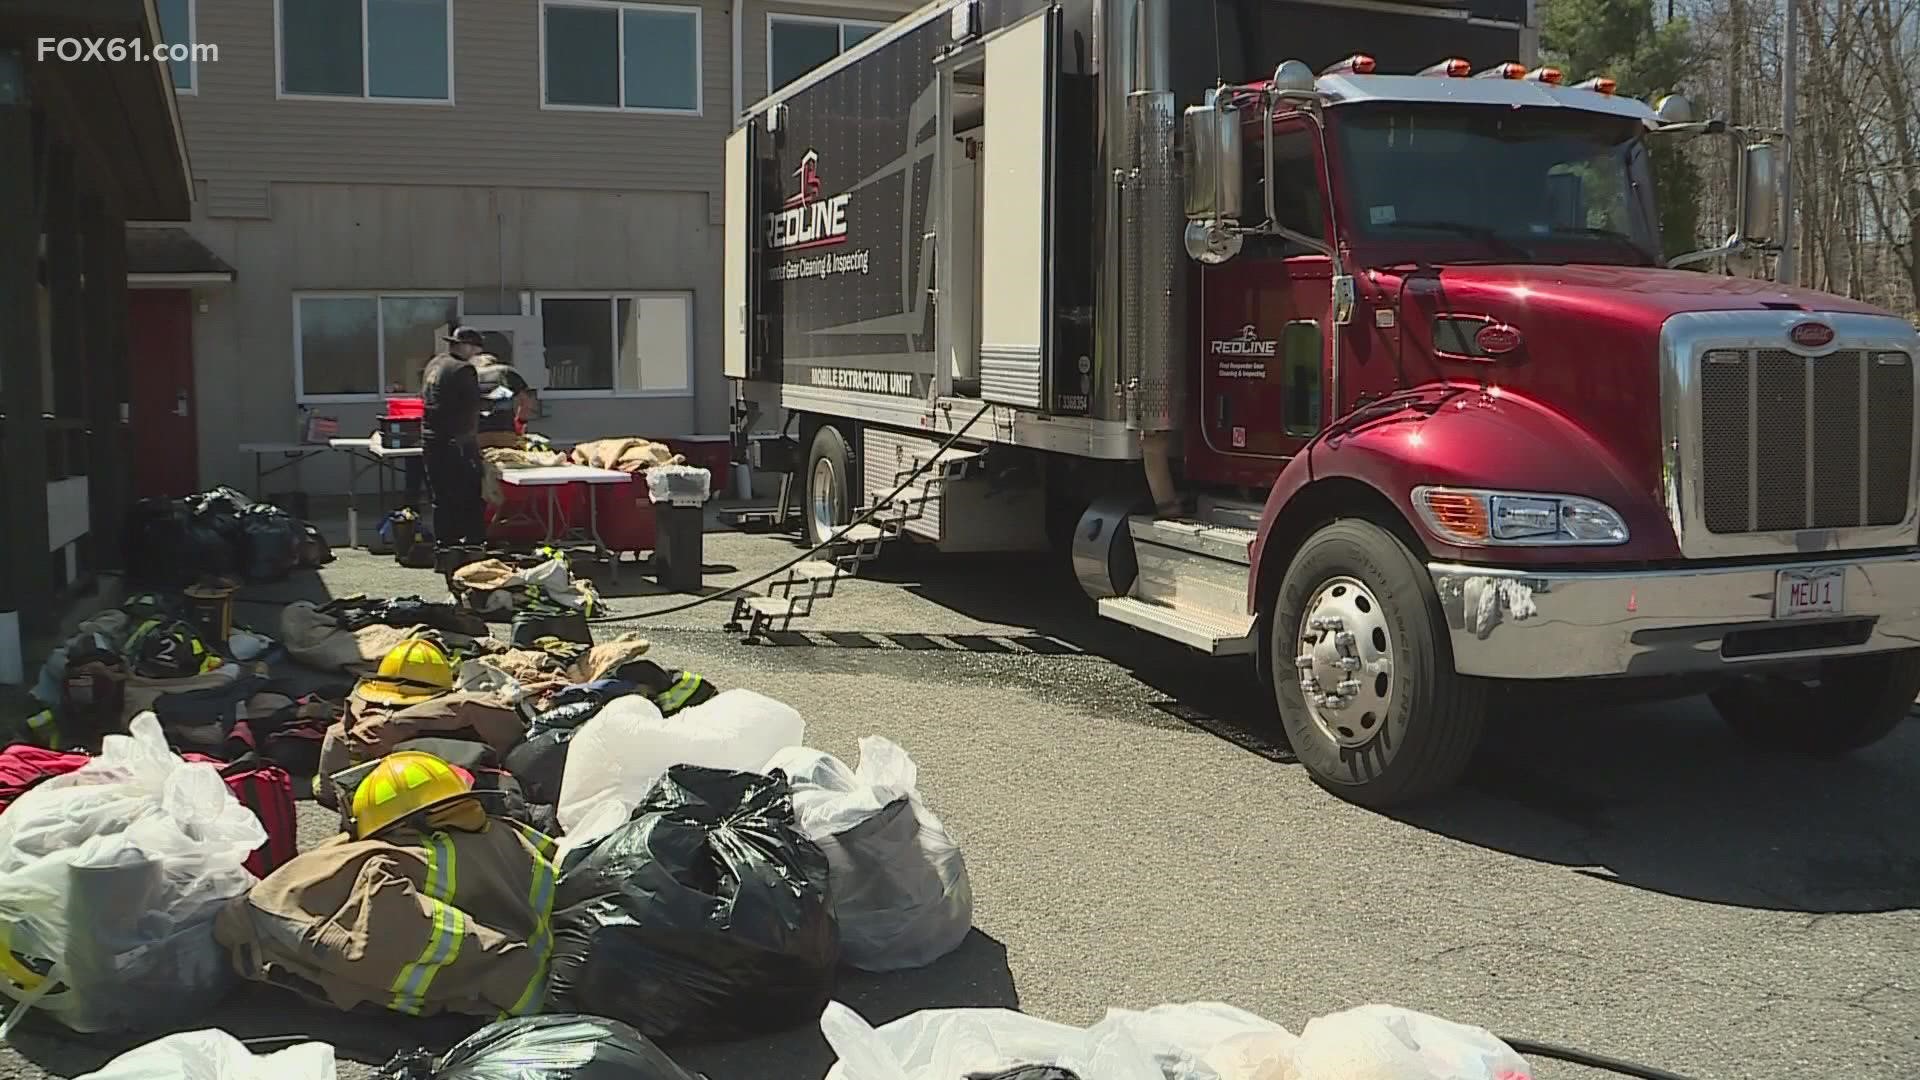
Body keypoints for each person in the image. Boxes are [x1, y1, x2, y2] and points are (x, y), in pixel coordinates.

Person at [420, 327, 487, 547]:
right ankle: (472, 544)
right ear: (466, 345)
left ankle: (445, 546)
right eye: (475, 349)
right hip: (455, 441)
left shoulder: (436, 363)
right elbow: (471, 405)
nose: (475, 354)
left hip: (430, 437)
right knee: (469, 493)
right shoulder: (463, 369)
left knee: (441, 496)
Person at [473, 352, 537, 448]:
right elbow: (527, 402)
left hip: (477, 433)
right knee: (507, 459)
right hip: (504, 431)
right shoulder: (506, 372)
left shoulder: (468, 375)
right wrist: (520, 422)